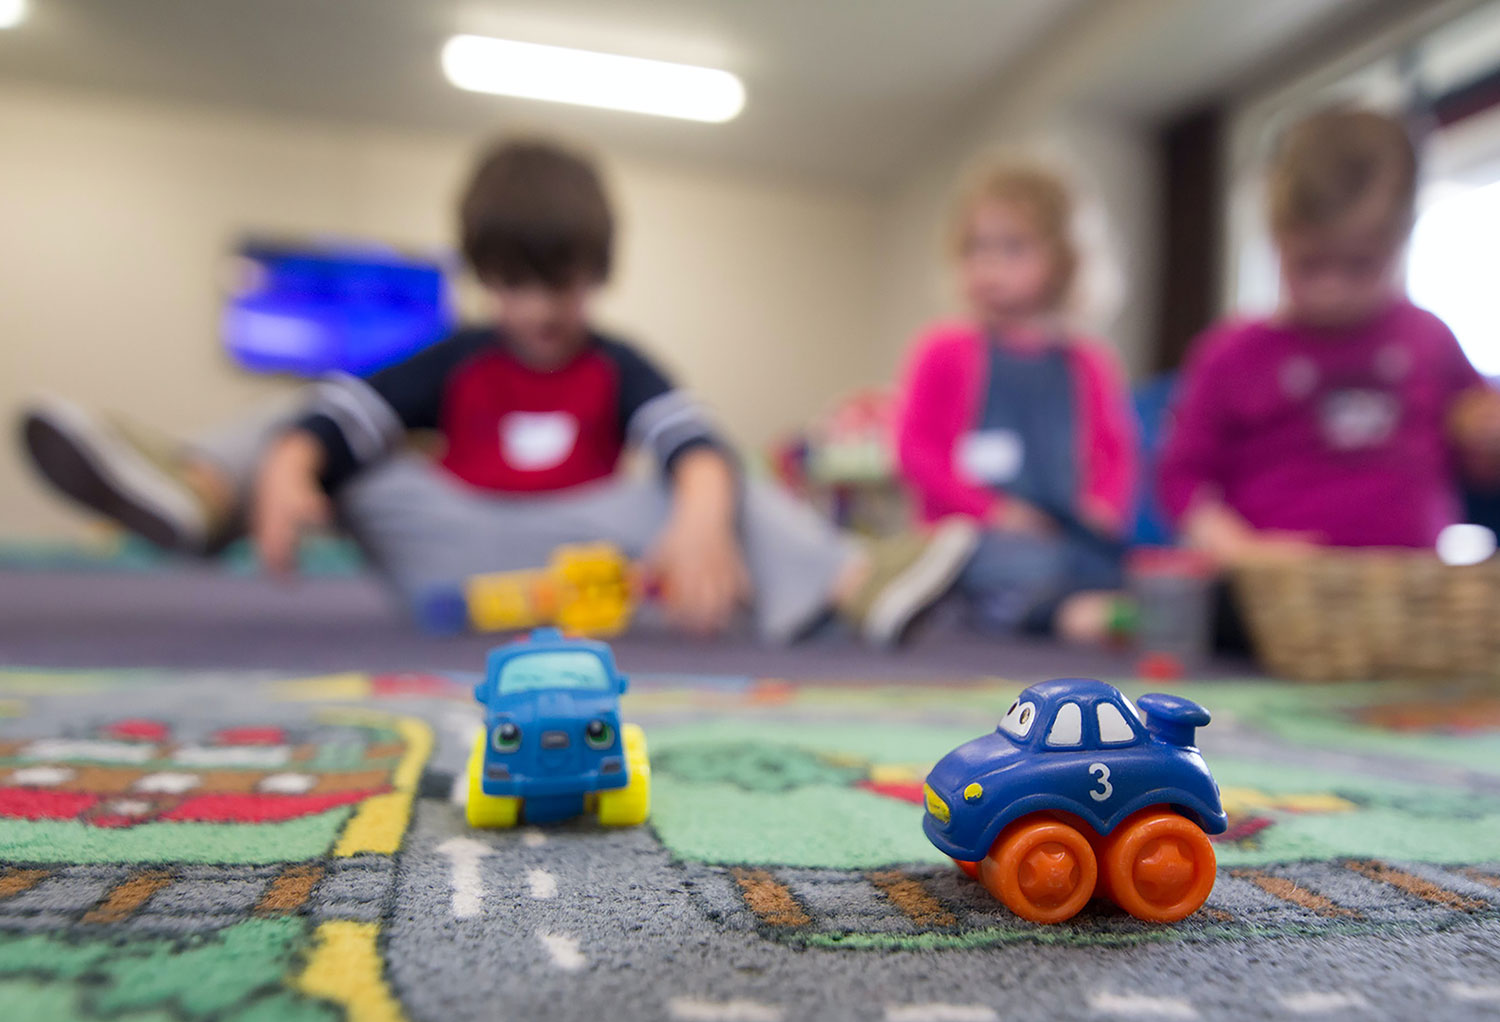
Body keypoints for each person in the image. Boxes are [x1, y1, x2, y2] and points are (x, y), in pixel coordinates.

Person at [19, 138, 977, 646]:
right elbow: (341, 415)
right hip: (447, 548)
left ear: (596, 274)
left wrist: (699, 513)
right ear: (483, 275)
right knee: (303, 420)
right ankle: (199, 493)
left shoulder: (616, 361)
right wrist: (292, 465)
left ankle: (859, 585)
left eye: (559, 284)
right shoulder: (460, 354)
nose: (537, 308)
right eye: (512, 283)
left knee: (715, 474)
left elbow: (689, 440)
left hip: (583, 555)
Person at [1159, 108, 1500, 563]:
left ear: (1401, 244)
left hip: (1408, 595)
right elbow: (1182, 480)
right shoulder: (1232, 354)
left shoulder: (1429, 339)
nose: (1331, 289)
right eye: (1309, 264)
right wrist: (1242, 550)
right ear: (1277, 241)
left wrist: (1483, 439)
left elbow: (1478, 465)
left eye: (1360, 265)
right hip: (1271, 600)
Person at [893, 160, 1138, 642]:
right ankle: (1041, 612)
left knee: (1114, 563)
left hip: (1057, 532)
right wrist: (996, 514)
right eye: (975, 248)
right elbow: (917, 453)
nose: (988, 265)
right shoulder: (944, 351)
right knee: (986, 560)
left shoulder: (1087, 363)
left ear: (1063, 260)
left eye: (1012, 248)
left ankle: (1036, 608)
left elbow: (1115, 452)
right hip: (970, 535)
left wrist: (1102, 507)